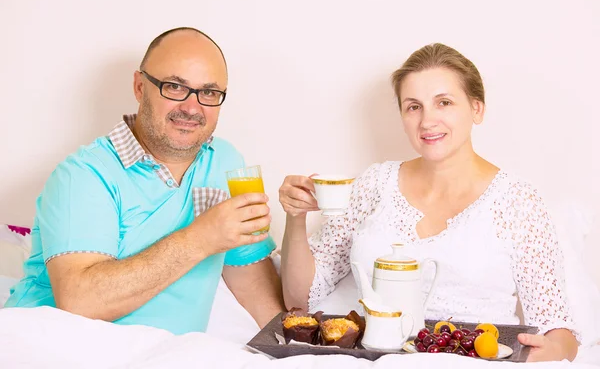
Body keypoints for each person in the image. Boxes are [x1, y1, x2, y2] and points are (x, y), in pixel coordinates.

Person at [278, 43, 579, 362]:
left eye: (444, 102)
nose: (427, 121)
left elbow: (558, 330)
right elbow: (301, 300)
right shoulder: (374, 184)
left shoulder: (517, 200)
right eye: (413, 106)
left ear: (477, 109)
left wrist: (547, 352)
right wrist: (294, 217)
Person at [5, 27, 285, 334]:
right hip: (53, 345)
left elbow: (251, 281)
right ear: (140, 87)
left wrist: (293, 348)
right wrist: (202, 238)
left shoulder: (226, 162)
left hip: (166, 355)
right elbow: (80, 302)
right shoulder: (83, 175)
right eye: (175, 87)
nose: (192, 108)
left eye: (209, 93)